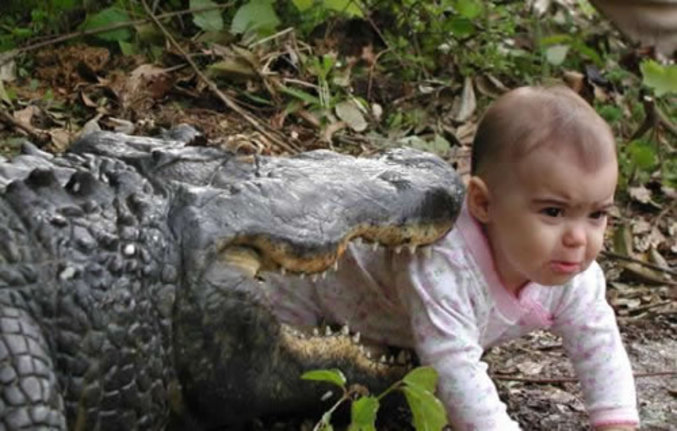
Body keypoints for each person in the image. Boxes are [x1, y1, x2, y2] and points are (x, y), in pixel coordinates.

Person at [264, 85, 639, 430]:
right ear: (483, 203)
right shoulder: (446, 264)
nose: (579, 238)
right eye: (553, 212)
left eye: (597, 215)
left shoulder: (571, 270)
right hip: (315, 290)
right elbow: (454, 367)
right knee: (289, 397)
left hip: (395, 322)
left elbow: (597, 341)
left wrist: (616, 421)